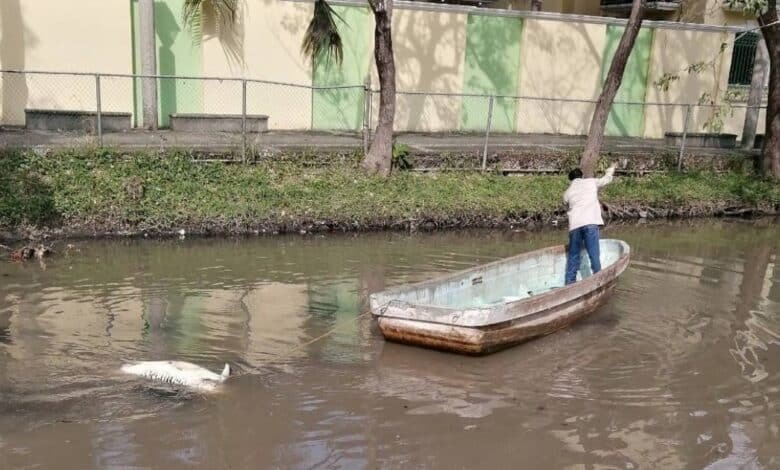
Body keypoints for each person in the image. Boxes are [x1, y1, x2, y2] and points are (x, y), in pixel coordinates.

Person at [563, 163, 616, 285]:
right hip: (590, 223)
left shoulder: (567, 192)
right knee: (594, 254)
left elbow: (566, 204)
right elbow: (606, 180)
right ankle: (598, 279)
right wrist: (611, 169)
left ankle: (570, 283)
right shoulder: (591, 182)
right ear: (581, 176)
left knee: (573, 256)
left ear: (570, 179)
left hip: (575, 226)